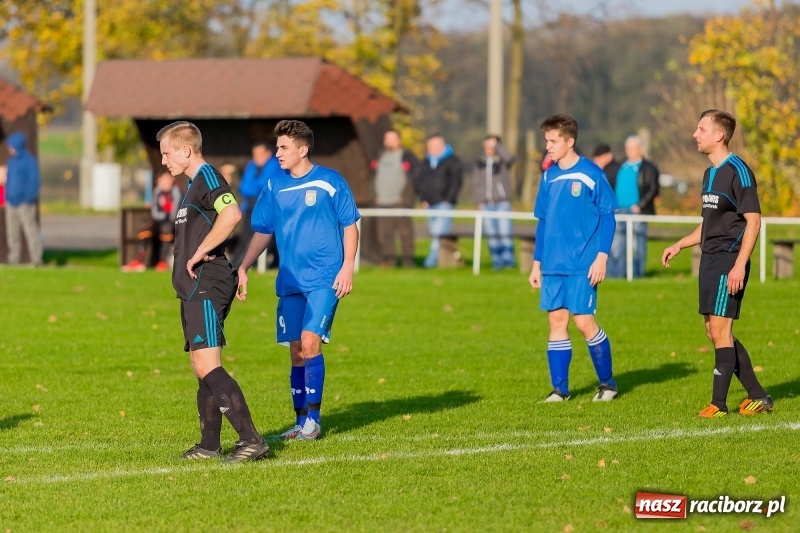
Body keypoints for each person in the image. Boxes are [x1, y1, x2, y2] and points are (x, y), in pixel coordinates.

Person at [236, 120, 360, 441]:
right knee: (295, 350)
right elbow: (263, 230)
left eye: (283, 148)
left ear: (302, 150)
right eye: (277, 147)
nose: (277, 153)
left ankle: (314, 422)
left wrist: (347, 267)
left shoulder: (330, 182)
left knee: (309, 342)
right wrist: (244, 267)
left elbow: (350, 224)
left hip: (324, 277)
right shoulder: (274, 186)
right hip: (290, 281)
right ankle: (300, 420)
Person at [157, 121, 269, 462]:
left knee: (208, 365)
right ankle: (209, 446)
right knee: (201, 366)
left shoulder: (207, 177)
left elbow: (232, 213)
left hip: (207, 281)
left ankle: (252, 441)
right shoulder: (193, 184)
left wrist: (200, 250)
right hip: (194, 286)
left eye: (166, 154)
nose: (163, 161)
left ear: (185, 150)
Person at [662, 110, 773, 418]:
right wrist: (679, 244)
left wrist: (739, 265)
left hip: (729, 260)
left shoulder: (739, 171)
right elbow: (708, 224)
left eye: (701, 129)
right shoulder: (709, 174)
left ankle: (718, 405)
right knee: (713, 330)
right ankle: (759, 395)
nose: (695, 134)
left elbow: (753, 222)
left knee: (722, 330)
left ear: (719, 135)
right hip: (710, 260)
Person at [530, 114, 619, 402]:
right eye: (546, 141)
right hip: (553, 265)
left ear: (570, 141)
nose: (548, 147)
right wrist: (536, 263)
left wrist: (601, 257)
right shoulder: (548, 176)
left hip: (583, 263)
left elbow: (608, 217)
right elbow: (542, 221)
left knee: (583, 322)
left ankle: (608, 384)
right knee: (557, 321)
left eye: (553, 141)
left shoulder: (592, 174)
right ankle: (560, 390)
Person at [606, 136, 660, 278]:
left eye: (633, 148)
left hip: (637, 212)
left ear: (640, 149)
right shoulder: (620, 166)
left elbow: (653, 189)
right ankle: (616, 274)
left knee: (637, 244)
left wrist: (640, 205)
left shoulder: (649, 168)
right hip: (618, 211)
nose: (630, 151)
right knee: (616, 244)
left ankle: (637, 275)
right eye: (628, 148)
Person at [229, 141, 282, 267]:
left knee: (270, 239)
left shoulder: (275, 165)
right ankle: (236, 264)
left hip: (269, 208)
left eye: (260, 154)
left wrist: (253, 186)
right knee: (245, 237)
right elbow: (243, 187)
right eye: (255, 154)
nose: (257, 157)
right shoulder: (251, 165)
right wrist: (255, 187)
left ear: (268, 153)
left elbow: (265, 185)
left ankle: (270, 264)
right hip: (251, 206)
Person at [415, 133, 463, 268]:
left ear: (443, 145)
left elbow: (456, 182)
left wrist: (448, 200)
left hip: (444, 204)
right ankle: (441, 261)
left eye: (436, 145)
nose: (433, 148)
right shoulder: (426, 161)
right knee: (435, 234)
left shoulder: (453, 161)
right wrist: (423, 198)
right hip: (429, 204)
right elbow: (420, 181)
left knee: (438, 234)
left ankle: (430, 263)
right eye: (430, 145)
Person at [372, 129, 419, 268]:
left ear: (399, 140)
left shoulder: (406, 156)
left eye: (392, 139)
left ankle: (408, 263)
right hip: (382, 203)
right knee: (385, 236)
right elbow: (373, 177)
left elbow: (415, 177)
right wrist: (375, 195)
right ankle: (389, 261)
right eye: (387, 139)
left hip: (400, 203)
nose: (389, 142)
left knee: (405, 235)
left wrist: (405, 196)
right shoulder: (380, 156)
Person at [123, 171, 182, 272]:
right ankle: (139, 260)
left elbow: (175, 212)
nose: (164, 183)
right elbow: (155, 211)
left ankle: (163, 261)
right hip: (158, 222)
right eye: (162, 181)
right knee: (144, 232)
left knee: (166, 230)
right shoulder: (157, 192)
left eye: (166, 181)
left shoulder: (176, 192)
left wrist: (167, 216)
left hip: (172, 223)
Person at [473, 135, 516, 270]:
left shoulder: (502, 162)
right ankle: (496, 262)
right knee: (492, 235)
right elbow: (476, 183)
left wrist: (497, 145)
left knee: (505, 233)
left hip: (502, 203)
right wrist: (479, 201)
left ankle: (508, 262)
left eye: (492, 147)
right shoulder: (480, 162)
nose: (489, 149)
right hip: (486, 204)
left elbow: (510, 158)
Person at [4, 132, 42, 266]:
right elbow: (8, 180)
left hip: (25, 204)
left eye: (11, 147)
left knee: (30, 231)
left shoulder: (30, 161)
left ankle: (36, 259)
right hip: (11, 202)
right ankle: (13, 259)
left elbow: (34, 182)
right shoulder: (11, 162)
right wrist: (7, 197)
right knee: (12, 233)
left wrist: (28, 198)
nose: (9, 149)